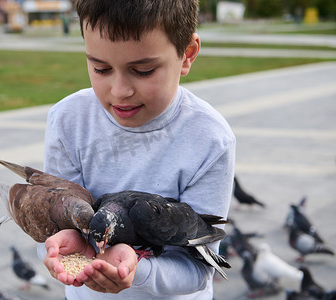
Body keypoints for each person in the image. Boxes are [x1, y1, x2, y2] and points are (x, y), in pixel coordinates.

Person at [37, 0, 236, 299]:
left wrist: (136, 271)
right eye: (101, 68)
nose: (120, 91)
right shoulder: (68, 121)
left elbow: (198, 270)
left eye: (143, 70)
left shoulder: (210, 139)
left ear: (187, 54)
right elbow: (49, 227)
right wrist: (59, 245)